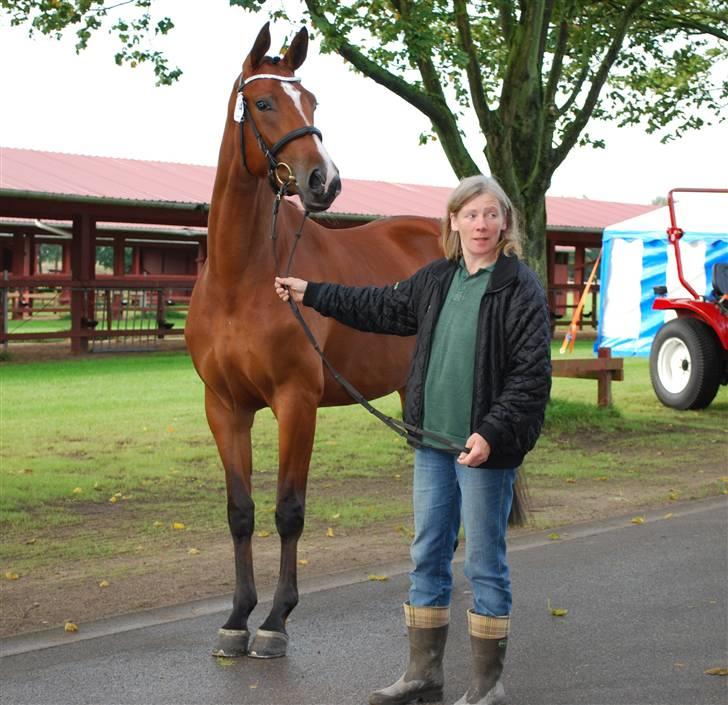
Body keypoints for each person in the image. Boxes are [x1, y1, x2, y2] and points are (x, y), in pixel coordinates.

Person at [274, 174, 551, 705]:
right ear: (453, 221)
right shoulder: (437, 280)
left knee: (483, 563)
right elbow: (378, 306)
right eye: (470, 214)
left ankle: (488, 687)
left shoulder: (520, 287)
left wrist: (492, 434)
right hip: (433, 446)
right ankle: (423, 674)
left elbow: (531, 375)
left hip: (483, 451)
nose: (481, 224)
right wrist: (310, 291)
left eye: (491, 214)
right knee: (426, 554)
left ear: (505, 223)